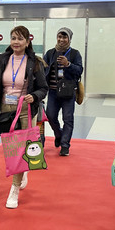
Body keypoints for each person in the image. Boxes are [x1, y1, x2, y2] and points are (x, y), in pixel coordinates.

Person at [0, 25, 48, 209]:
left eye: (20, 38)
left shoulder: (34, 62)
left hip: (25, 109)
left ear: (27, 41)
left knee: (19, 149)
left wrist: (34, 96)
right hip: (5, 108)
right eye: (13, 38)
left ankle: (14, 189)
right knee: (11, 149)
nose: (16, 42)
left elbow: (43, 88)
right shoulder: (4, 59)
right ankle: (22, 170)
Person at [43, 27, 83, 156]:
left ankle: (65, 145)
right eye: (59, 36)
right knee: (50, 116)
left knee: (68, 119)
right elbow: (43, 70)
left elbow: (79, 70)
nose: (61, 39)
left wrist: (68, 65)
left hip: (68, 92)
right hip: (53, 92)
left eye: (64, 37)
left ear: (69, 39)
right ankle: (59, 134)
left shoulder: (75, 54)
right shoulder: (50, 53)